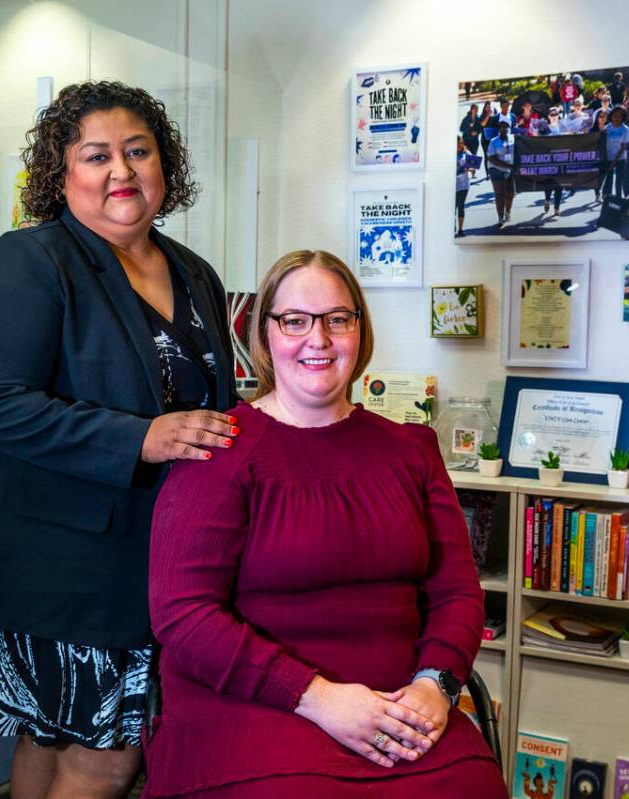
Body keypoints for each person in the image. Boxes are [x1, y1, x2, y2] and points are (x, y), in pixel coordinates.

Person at [0, 80, 239, 799]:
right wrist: (140, 437)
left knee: (56, 739)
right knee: (108, 752)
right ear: (62, 172)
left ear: (164, 165)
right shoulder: (33, 260)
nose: (121, 171)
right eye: (96, 155)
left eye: (138, 151)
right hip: (64, 560)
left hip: (158, 549)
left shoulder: (194, 273)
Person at [144, 250, 508, 798]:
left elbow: (456, 591)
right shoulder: (218, 453)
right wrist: (321, 699)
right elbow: (183, 615)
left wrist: (435, 685)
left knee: (470, 787)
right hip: (252, 708)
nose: (319, 339)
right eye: (295, 321)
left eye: (338, 319)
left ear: (360, 332)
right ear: (264, 336)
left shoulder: (411, 450)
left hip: (399, 704)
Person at [486, 119, 515, 226]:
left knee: (510, 193)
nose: (504, 129)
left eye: (506, 127)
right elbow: (491, 158)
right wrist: (507, 165)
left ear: (508, 128)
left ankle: (508, 212)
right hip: (496, 169)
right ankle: (500, 217)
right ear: (498, 129)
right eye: (501, 127)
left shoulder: (513, 139)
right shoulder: (493, 141)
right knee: (499, 194)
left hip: (510, 169)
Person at [605, 105, 629, 198]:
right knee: (609, 180)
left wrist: (615, 161)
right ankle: (607, 201)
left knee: (619, 182)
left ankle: (618, 200)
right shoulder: (606, 128)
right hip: (608, 158)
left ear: (622, 117)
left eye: (619, 116)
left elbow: (624, 146)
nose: (617, 118)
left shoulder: (626, 129)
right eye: (615, 115)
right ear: (611, 116)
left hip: (620, 158)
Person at [458, 103, 482, 175]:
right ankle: (467, 173)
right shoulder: (466, 118)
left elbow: (480, 129)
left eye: (476, 109)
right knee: (467, 156)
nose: (475, 111)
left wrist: (477, 132)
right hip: (466, 140)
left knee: (473, 156)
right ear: (471, 109)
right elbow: (461, 129)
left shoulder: (478, 119)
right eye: (474, 109)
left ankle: (473, 173)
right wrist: (469, 128)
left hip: (475, 141)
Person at [455, 136, 470, 236]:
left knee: (461, 206)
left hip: (463, 184)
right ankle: (452, 226)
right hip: (451, 185)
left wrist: (469, 169)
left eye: (462, 142)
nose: (462, 144)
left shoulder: (467, 153)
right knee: (452, 207)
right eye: (459, 143)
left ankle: (460, 229)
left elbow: (473, 166)